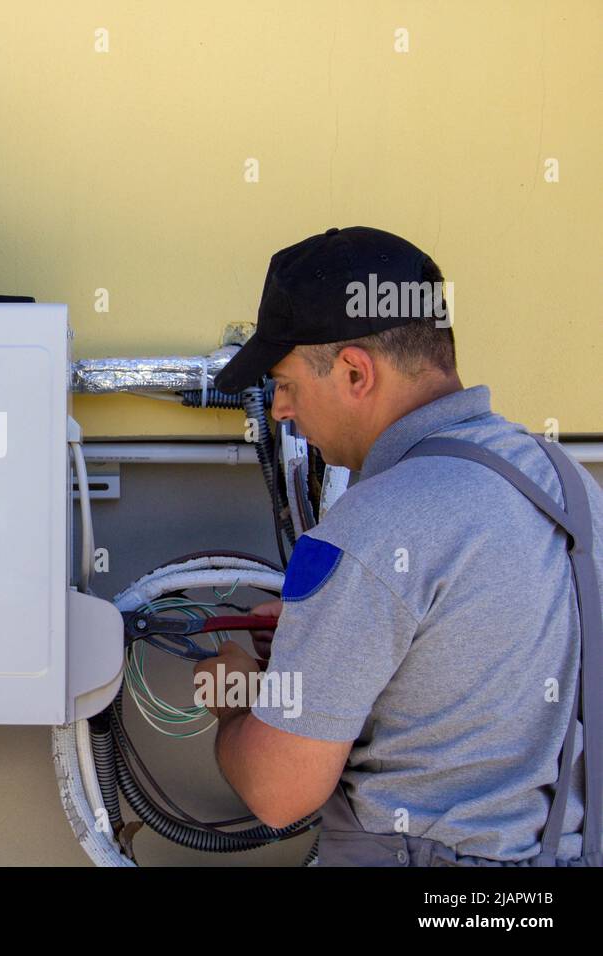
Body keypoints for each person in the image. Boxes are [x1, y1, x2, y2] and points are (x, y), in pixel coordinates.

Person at [193, 226, 601, 866]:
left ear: (355, 371)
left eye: (286, 381)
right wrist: (328, 639)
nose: (279, 409)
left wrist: (234, 702)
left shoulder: (372, 528)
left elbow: (279, 793)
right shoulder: (571, 486)